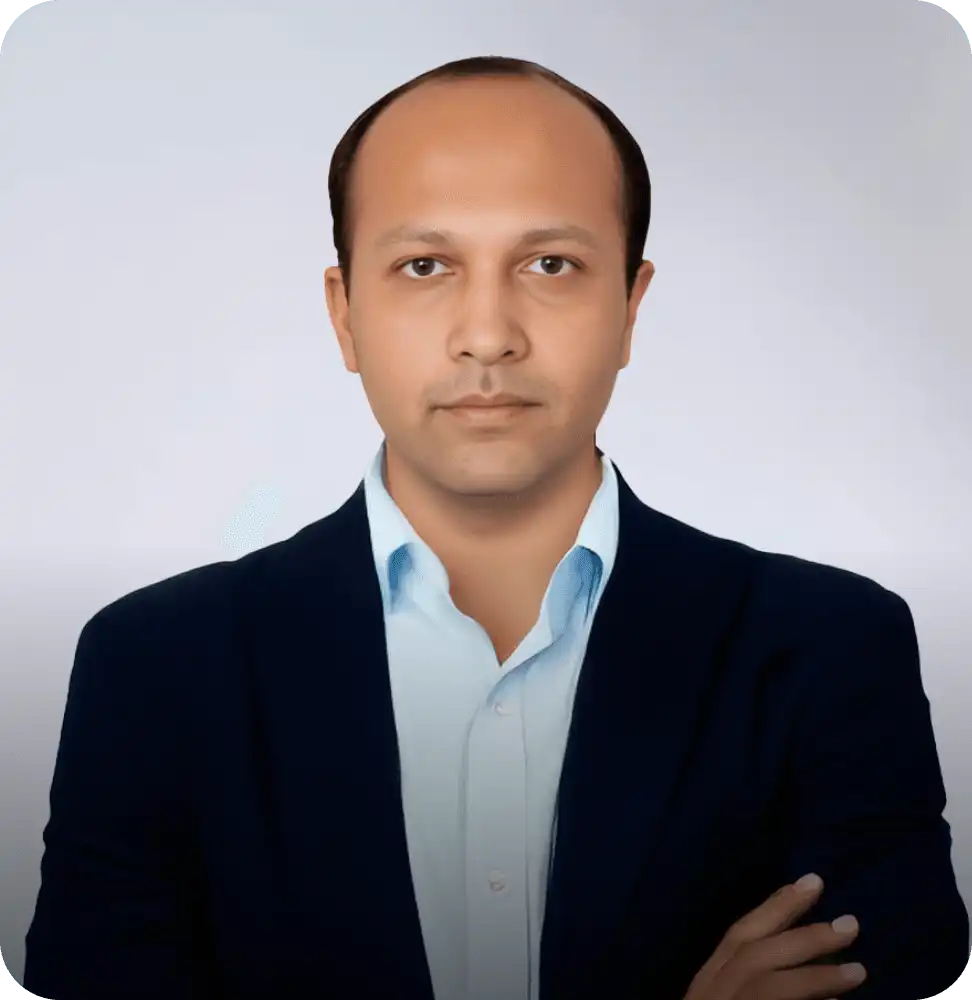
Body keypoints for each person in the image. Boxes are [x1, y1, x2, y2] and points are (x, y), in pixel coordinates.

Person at [22, 55, 968, 1000]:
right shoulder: (151, 668)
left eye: (550, 265)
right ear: (345, 314)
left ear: (629, 309)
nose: (487, 333)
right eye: (424, 265)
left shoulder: (830, 648)